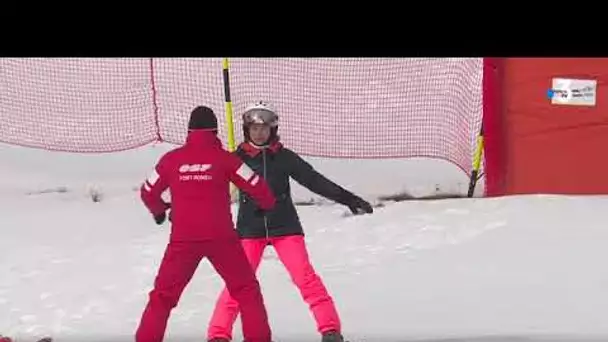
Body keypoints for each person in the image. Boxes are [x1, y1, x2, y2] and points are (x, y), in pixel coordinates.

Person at [206, 101, 374, 342]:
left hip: (285, 227)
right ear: (247, 129)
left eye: (264, 128)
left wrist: (347, 198)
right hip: (249, 230)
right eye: (254, 128)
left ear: (272, 130)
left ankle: (330, 330)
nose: (259, 133)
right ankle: (218, 335)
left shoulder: (283, 157)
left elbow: (314, 180)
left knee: (305, 277)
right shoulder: (237, 159)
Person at [135, 105, 276, 342]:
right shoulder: (225, 160)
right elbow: (256, 184)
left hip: (183, 240)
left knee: (162, 297)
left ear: (189, 131)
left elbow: (148, 191)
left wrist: (159, 211)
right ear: (214, 131)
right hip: (221, 239)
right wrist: (265, 204)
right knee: (246, 291)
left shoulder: (172, 160)